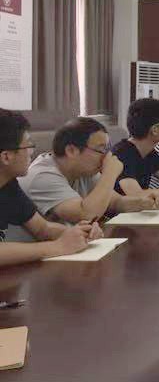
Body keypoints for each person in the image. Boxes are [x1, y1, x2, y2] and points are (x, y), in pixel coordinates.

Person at [0, 110, 103, 267]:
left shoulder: (8, 185)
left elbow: (42, 228)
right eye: (28, 146)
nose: (31, 152)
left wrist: (79, 233)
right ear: (6, 157)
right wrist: (57, 247)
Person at [18, 118, 159, 226]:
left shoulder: (84, 171)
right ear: (71, 150)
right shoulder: (42, 176)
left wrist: (143, 202)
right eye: (101, 150)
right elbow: (85, 215)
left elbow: (116, 202)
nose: (106, 157)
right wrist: (110, 173)